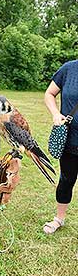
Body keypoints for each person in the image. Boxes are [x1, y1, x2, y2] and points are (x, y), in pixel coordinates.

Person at [44, 60, 78, 234]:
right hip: (71, 140)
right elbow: (50, 93)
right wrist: (56, 114)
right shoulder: (69, 69)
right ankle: (59, 219)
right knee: (66, 180)